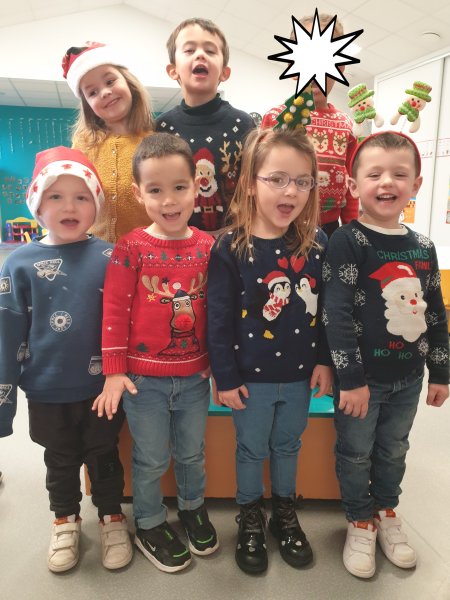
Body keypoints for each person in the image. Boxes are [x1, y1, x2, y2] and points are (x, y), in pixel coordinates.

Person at [322, 131, 449, 579]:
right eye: (374, 174)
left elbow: (435, 313)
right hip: (362, 380)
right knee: (356, 452)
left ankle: (385, 510)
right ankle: (359, 518)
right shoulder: (348, 240)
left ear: (416, 184)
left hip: (409, 377)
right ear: (353, 185)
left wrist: (441, 371)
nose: (387, 182)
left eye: (399, 174)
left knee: (394, 449)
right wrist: (351, 379)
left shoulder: (424, 247)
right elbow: (335, 315)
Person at [0, 147, 133, 573]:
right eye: (55, 197)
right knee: (59, 460)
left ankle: (111, 516)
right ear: (37, 206)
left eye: (81, 197)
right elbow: (7, 335)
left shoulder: (112, 257)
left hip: (101, 388)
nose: (69, 207)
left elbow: (129, 322)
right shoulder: (19, 264)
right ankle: (65, 520)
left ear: (96, 205)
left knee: (104, 455)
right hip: (46, 389)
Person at [207, 127, 333, 574]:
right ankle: (250, 516)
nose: (290, 191)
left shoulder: (317, 245)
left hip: (299, 377)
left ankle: (283, 512)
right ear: (250, 182)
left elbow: (325, 312)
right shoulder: (229, 247)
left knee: (287, 445)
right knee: (250, 449)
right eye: (277, 179)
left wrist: (324, 361)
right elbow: (217, 320)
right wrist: (225, 377)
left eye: (302, 181)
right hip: (249, 381)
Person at [93, 132, 218, 573]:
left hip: (195, 378)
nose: (169, 200)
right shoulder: (130, 248)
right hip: (142, 382)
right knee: (149, 459)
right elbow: (114, 311)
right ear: (138, 193)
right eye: (156, 189)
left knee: (192, 453)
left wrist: (218, 365)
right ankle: (148, 522)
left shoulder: (208, 247)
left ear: (196, 187)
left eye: (179, 187)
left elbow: (218, 312)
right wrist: (114, 371)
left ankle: (192, 508)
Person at [261, 13, 357, 239]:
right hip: (282, 224)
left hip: (330, 229)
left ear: (340, 67)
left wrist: (352, 229)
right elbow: (260, 176)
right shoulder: (274, 119)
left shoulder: (347, 126)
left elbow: (352, 183)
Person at [156, 18, 255, 234]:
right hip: (178, 239)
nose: (200, 55)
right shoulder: (161, 127)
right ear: (173, 70)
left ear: (224, 73)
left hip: (233, 238)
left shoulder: (244, 124)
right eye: (189, 50)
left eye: (210, 51)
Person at [62, 41, 154, 242]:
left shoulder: (153, 142)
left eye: (110, 81)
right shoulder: (83, 145)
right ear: (87, 105)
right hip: (92, 251)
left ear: (129, 82)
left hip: (145, 252)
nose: (104, 92)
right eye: (92, 92)